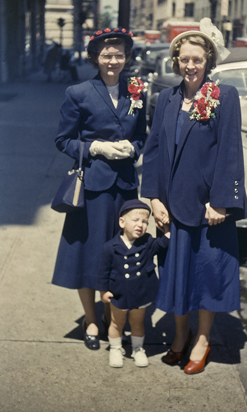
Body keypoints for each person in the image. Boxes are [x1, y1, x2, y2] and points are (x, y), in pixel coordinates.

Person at [141, 18, 247, 375]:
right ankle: (180, 335)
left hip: (208, 210)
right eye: (184, 59)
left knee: (206, 278)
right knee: (175, 277)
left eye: (197, 60)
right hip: (171, 208)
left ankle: (202, 340)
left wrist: (221, 201)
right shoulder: (168, 98)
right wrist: (154, 199)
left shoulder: (224, 96)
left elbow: (231, 150)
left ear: (209, 62)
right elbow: (154, 150)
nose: (190, 66)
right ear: (176, 61)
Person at [52, 27, 147, 351]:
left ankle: (113, 321)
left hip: (124, 188)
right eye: (107, 54)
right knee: (88, 255)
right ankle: (92, 320)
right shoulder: (78, 92)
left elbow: (142, 136)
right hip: (92, 188)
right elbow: (63, 140)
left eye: (119, 54)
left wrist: (133, 148)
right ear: (95, 57)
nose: (113, 60)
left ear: (127, 57)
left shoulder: (137, 92)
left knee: (120, 254)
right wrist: (96, 148)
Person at [99, 199, 170, 368]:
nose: (140, 225)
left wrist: (167, 231)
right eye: (136, 220)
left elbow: (162, 245)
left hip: (141, 291)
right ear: (122, 222)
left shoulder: (147, 242)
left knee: (137, 323)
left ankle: (138, 349)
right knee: (116, 323)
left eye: (145, 222)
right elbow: (103, 272)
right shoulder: (110, 247)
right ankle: (116, 349)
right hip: (119, 292)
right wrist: (103, 291)